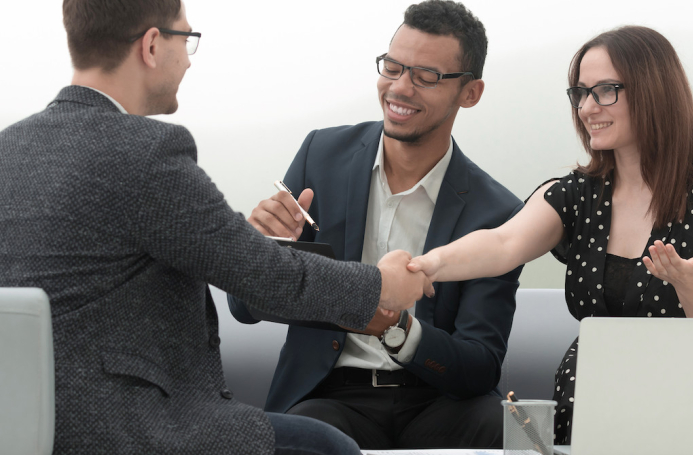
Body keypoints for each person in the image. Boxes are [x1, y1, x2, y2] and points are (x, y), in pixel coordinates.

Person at [0, 1, 431, 454]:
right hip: (122, 428)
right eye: (186, 39)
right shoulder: (147, 154)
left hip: (22, 427)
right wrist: (380, 285)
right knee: (325, 446)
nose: (188, 57)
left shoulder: (9, 149)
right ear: (151, 44)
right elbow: (265, 276)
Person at [408, 25, 693, 444]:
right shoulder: (579, 195)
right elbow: (503, 243)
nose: (587, 107)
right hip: (585, 408)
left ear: (655, 91)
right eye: (580, 93)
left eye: (605, 90)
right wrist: (424, 266)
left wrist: (689, 287)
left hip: (685, 416)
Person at [228, 0, 523, 449]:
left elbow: (480, 366)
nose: (400, 88)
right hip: (330, 395)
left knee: (501, 428)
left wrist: (396, 328)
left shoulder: (495, 213)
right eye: (392, 67)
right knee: (306, 437)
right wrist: (259, 247)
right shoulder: (320, 155)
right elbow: (243, 308)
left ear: (470, 93)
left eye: (426, 76)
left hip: (439, 399)